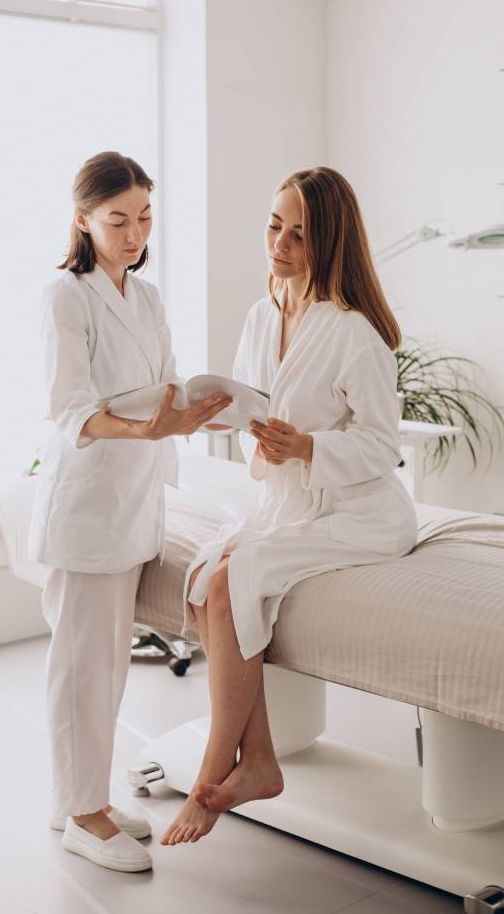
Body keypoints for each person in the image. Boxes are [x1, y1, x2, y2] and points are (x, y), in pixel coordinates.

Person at [160, 166, 418, 847]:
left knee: (231, 582)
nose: (279, 244)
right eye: (274, 226)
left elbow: (380, 445)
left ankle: (215, 772)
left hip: (358, 511)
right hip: (289, 503)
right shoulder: (261, 312)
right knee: (206, 580)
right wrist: (235, 426)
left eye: (298, 234)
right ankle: (262, 762)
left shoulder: (353, 331)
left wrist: (306, 447)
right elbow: (257, 411)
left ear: (328, 242)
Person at [28, 151, 231, 872]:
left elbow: (165, 389)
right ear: (83, 220)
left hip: (132, 502)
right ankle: (84, 815)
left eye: (144, 217)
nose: (133, 233)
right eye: (117, 220)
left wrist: (206, 413)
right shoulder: (67, 295)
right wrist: (149, 429)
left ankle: (74, 799)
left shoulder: (144, 298)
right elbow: (70, 410)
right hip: (86, 508)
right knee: (82, 669)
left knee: (107, 668)